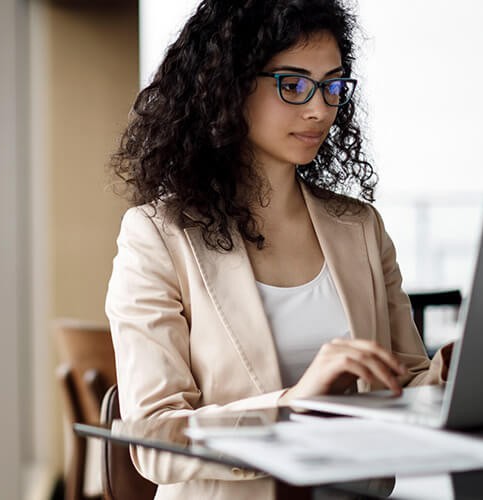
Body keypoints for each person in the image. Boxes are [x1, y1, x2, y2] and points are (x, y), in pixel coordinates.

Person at [106, 0, 452, 497]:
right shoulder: (157, 235)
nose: (319, 109)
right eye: (293, 85)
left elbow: (406, 385)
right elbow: (156, 440)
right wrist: (293, 403)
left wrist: (451, 374)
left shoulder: (361, 227)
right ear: (228, 86)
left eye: (332, 86)